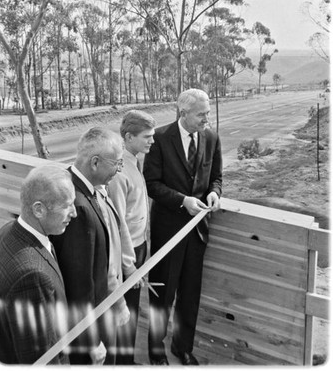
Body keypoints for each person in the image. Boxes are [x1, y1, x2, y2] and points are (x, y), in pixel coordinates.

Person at [143, 88, 222, 365]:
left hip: (198, 231)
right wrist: (182, 201)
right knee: (162, 295)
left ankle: (182, 347)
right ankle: (155, 350)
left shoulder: (211, 137)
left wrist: (214, 193)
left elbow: (216, 177)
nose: (207, 119)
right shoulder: (160, 139)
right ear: (183, 113)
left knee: (190, 294)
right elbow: (151, 184)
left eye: (208, 113)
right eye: (202, 114)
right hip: (167, 231)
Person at [50, 126, 129, 365]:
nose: (119, 170)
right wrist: (91, 341)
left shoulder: (80, 186)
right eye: (116, 163)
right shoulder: (78, 207)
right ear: (94, 163)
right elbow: (78, 283)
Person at [0, 164, 77, 364]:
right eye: (67, 205)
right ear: (39, 209)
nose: (74, 213)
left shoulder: (7, 231)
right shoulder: (32, 277)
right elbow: (41, 359)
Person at [107, 109, 156, 365]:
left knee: (133, 311)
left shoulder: (135, 159)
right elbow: (118, 223)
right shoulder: (118, 172)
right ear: (128, 136)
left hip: (139, 246)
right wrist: (129, 264)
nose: (152, 141)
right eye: (147, 136)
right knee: (125, 313)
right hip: (127, 253)